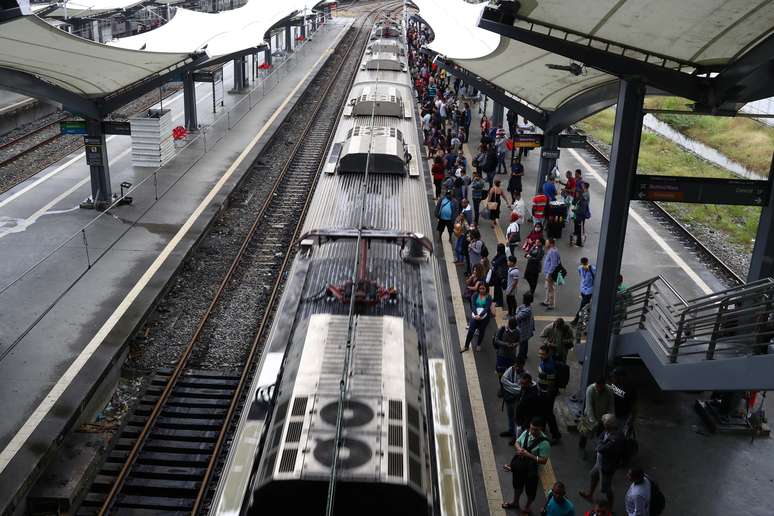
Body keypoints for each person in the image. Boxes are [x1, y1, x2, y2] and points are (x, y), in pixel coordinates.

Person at [502, 417, 550, 513]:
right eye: (531, 428)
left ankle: (527, 507)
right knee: (517, 485)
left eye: (535, 429)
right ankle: (515, 502)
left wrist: (529, 455)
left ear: (541, 429)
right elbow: (517, 442)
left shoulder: (545, 443)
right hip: (520, 467)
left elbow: (543, 460)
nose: (532, 431)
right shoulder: (526, 432)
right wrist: (519, 449)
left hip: (532, 471)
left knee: (530, 490)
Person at [580, 414, 624, 506]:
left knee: (606, 488)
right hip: (600, 462)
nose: (603, 424)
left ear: (608, 425)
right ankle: (590, 494)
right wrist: (600, 445)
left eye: (604, 423)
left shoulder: (616, 438)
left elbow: (602, 448)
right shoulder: (607, 432)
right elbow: (600, 438)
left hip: (607, 466)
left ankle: (610, 506)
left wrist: (599, 445)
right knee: (593, 475)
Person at [579, 379, 615, 451]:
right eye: (598, 387)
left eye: (601, 388)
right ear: (596, 384)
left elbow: (611, 405)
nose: (599, 389)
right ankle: (581, 447)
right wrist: (593, 421)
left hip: (602, 417)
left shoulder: (609, 390)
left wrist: (610, 418)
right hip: (589, 416)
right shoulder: (590, 389)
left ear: (604, 385)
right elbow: (589, 407)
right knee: (584, 433)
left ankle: (598, 450)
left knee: (600, 436)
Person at [537, 345, 562, 443]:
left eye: (542, 354)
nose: (540, 356)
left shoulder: (550, 366)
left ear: (548, 354)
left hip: (547, 393)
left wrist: (547, 393)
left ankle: (556, 435)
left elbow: (551, 381)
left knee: (548, 414)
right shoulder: (545, 361)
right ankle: (542, 431)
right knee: (543, 412)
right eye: (539, 353)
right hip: (543, 391)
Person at [461, 283, 494, 352]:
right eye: (480, 288)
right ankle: (466, 346)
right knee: (470, 331)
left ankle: (478, 344)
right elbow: (473, 305)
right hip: (475, 316)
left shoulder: (489, 297)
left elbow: (487, 308)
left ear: (486, 289)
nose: (481, 290)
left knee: (482, 331)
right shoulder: (475, 295)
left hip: (484, 318)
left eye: (483, 289)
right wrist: (476, 315)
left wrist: (480, 315)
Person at [500, 358, 526, 439]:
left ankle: (516, 436)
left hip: (517, 399)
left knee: (516, 418)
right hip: (509, 398)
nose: (517, 368)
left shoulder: (526, 374)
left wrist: (509, 387)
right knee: (510, 415)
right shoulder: (511, 369)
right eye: (516, 366)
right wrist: (515, 387)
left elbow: (520, 389)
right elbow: (503, 380)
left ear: (523, 366)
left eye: (519, 367)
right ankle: (511, 431)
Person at [611, 367, 637, 436]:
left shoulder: (629, 387)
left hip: (623, 417)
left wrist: (632, 418)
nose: (613, 378)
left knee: (620, 436)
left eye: (614, 376)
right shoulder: (613, 385)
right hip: (613, 415)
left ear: (621, 377)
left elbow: (633, 404)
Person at [571, 258, 596, 326]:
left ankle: (576, 320)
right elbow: (581, 276)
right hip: (583, 290)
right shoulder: (580, 268)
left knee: (582, 306)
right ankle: (589, 319)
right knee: (586, 306)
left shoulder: (593, 269)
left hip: (589, 291)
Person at [513, 292, 535, 360]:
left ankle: (521, 356)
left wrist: (517, 312)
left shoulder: (527, 310)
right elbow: (518, 308)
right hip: (526, 328)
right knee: (525, 342)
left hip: (524, 329)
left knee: (522, 343)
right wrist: (518, 311)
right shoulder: (526, 306)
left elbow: (517, 316)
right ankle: (524, 355)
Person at [541, 238, 561, 310]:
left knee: (550, 289)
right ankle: (547, 300)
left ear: (551, 244)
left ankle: (551, 304)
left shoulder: (552, 251)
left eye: (547, 242)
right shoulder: (552, 250)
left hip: (550, 273)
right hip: (549, 272)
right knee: (547, 287)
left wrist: (549, 274)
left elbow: (553, 264)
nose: (545, 244)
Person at [572, 181, 590, 247]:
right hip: (578, 215)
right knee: (578, 228)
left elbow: (582, 209)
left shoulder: (584, 197)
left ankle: (580, 242)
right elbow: (574, 203)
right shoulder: (581, 196)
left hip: (580, 216)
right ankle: (577, 240)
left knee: (580, 229)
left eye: (582, 186)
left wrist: (575, 211)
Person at [491, 243, 508, 308]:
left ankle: (500, 302)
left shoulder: (502, 256)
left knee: (498, 289)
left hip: (500, 275)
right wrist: (493, 262)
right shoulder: (499, 255)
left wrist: (494, 262)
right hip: (497, 274)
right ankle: (495, 298)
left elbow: (495, 263)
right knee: (496, 287)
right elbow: (493, 261)